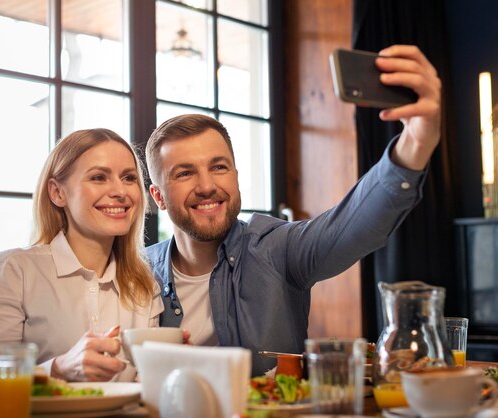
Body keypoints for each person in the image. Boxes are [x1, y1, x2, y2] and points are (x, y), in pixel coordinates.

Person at [144, 45, 442, 375]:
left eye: (219, 167)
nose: (206, 186)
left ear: (236, 176)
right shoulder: (137, 272)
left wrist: (416, 140)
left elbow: (355, 223)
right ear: (158, 196)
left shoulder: (278, 249)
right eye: (185, 173)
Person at [0, 128, 162, 390]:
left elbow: (146, 390)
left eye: (128, 178)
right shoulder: (11, 272)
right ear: (58, 193)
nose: (120, 191)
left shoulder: (145, 287)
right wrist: (59, 369)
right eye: (99, 177)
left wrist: (169, 368)